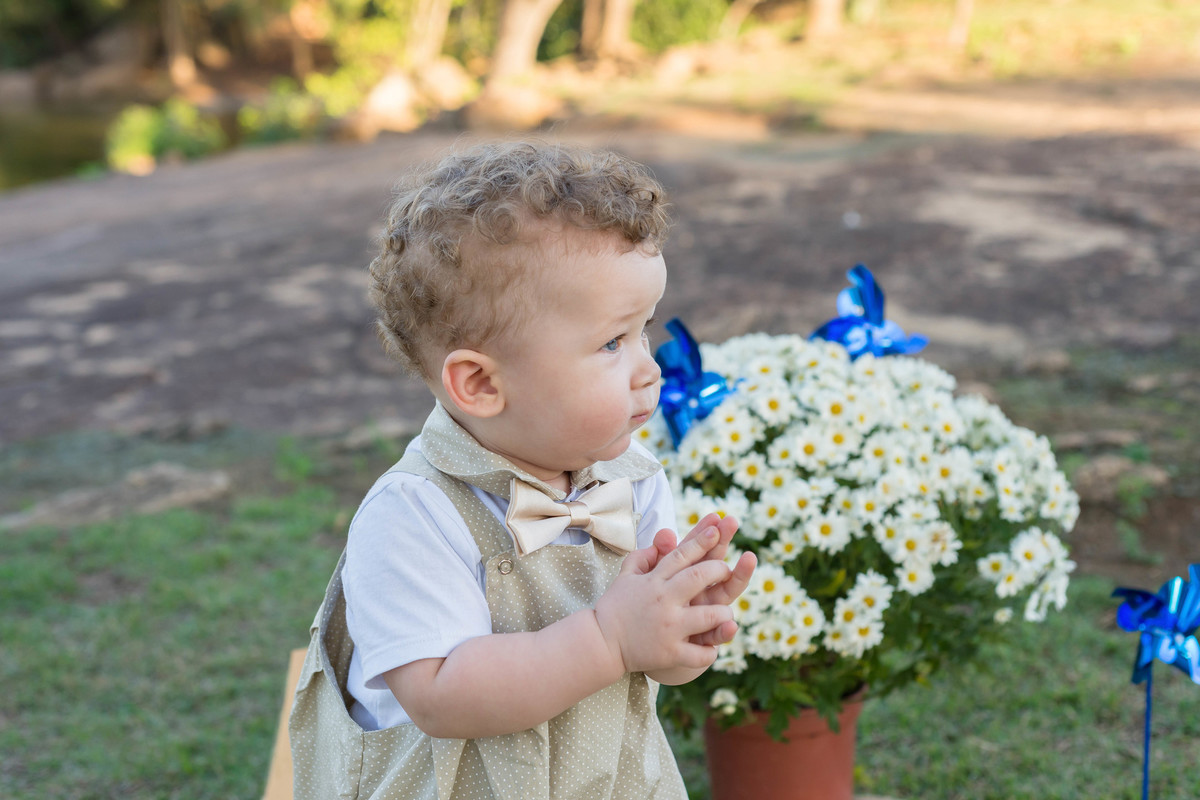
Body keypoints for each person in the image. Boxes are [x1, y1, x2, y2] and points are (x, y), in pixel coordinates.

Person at [289, 140, 757, 800]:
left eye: (644, 329)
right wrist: (608, 638)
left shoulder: (633, 478)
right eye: (611, 342)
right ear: (480, 383)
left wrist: (675, 633)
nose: (649, 368)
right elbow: (440, 695)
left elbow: (645, 662)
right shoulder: (413, 515)